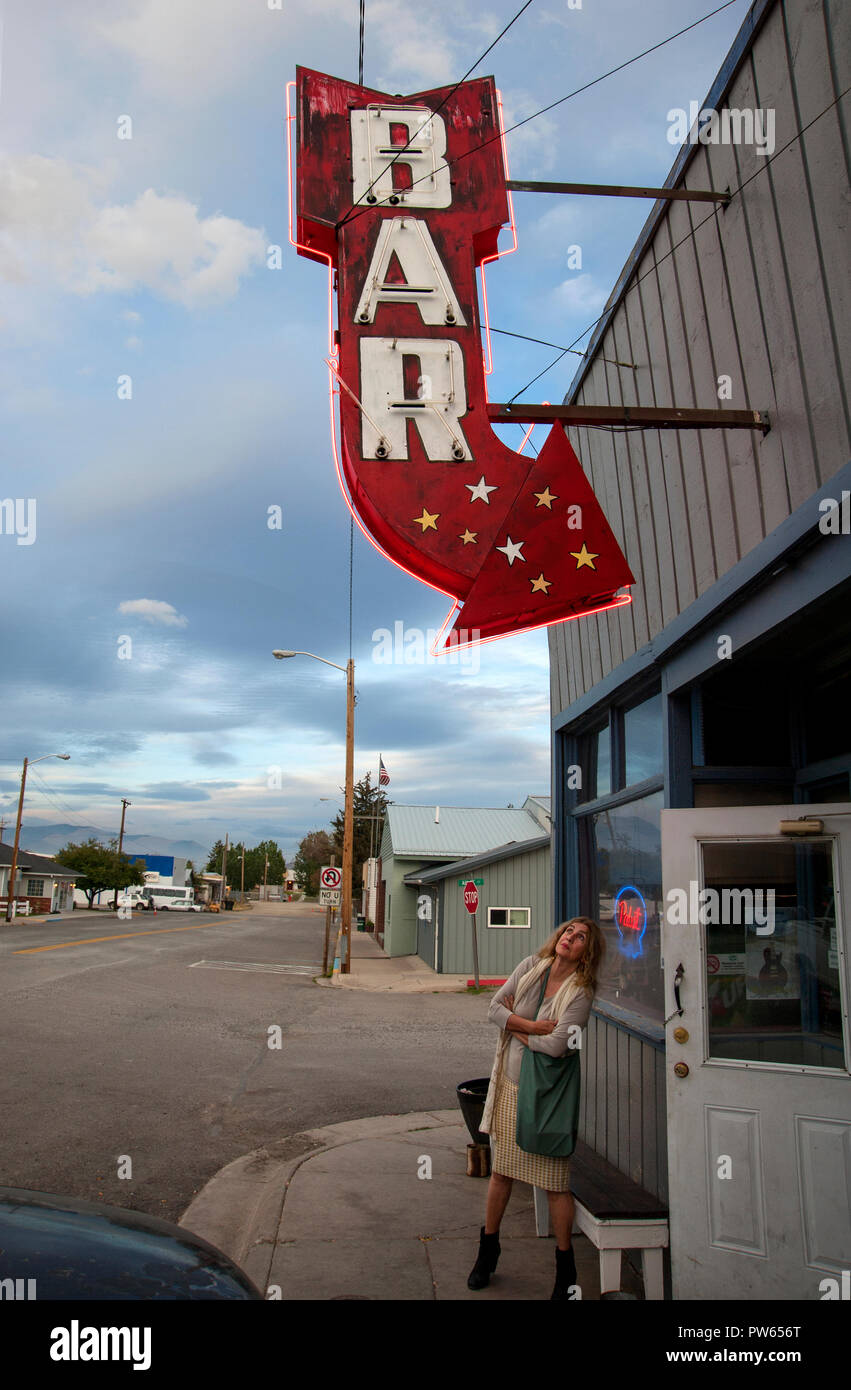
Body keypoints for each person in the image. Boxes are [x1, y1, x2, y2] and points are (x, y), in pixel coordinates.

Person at [467, 917, 604, 1300]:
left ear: (586, 952)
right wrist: (532, 1026)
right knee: (501, 1174)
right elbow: (493, 1008)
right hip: (511, 1086)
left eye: (579, 939)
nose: (570, 939)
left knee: (555, 1187)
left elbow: (559, 1045)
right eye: (567, 932)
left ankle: (565, 1270)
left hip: (548, 1098)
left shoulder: (581, 992)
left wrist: (516, 1028)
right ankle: (487, 1252)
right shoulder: (530, 967)